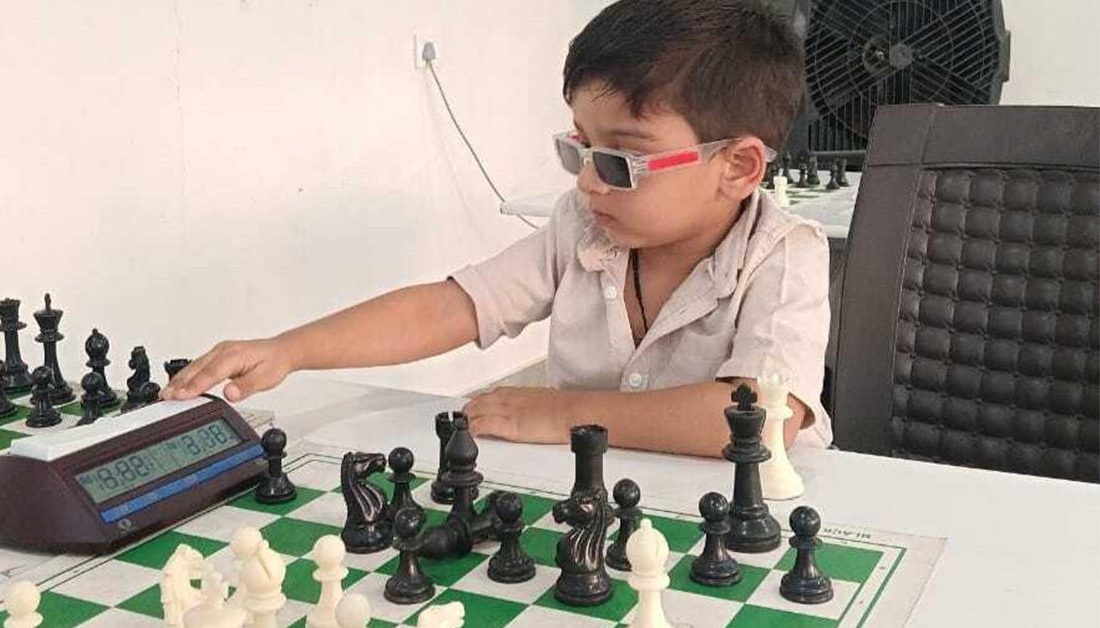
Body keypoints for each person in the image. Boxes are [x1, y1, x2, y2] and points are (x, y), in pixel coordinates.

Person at [162, 0, 831, 457]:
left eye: (620, 159)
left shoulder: (782, 253)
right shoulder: (584, 227)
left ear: (737, 166)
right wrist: (290, 349)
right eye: (578, 149)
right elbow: (454, 305)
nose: (588, 182)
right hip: (598, 496)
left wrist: (560, 413)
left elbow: (761, 417)